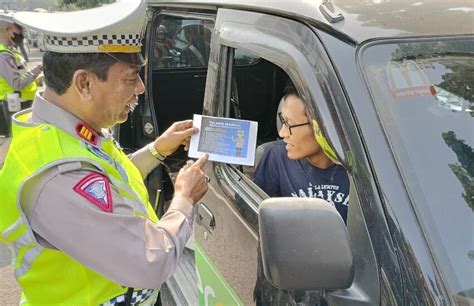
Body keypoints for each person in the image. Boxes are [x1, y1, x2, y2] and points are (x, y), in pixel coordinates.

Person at [0, 1, 209, 305]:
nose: (140, 88)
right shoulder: (56, 175)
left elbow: (110, 185)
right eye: (130, 77)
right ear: (84, 82)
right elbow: (149, 262)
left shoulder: (70, 129)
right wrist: (184, 199)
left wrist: (157, 149)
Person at [253, 81, 349, 305]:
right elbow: (259, 224)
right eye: (282, 121)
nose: (282, 132)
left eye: (290, 124)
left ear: (322, 127)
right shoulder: (276, 158)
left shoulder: (355, 170)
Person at [0, 13, 42, 137]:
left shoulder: (9, 51)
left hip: (21, 101)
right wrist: (36, 70)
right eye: (19, 28)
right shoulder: (3, 54)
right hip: (16, 104)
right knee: (22, 139)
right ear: (8, 29)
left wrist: (35, 80)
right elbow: (16, 83)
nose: (22, 33)